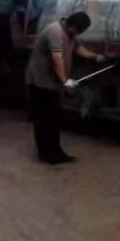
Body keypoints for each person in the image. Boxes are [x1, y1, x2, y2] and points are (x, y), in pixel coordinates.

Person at [25, 11, 106, 164]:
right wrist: (65, 81)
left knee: (54, 119)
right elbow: (57, 59)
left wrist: (95, 56)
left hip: (51, 84)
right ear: (74, 26)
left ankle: (56, 152)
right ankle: (46, 154)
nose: (79, 34)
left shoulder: (70, 34)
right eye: (80, 31)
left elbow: (78, 49)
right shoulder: (55, 32)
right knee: (43, 119)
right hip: (39, 82)